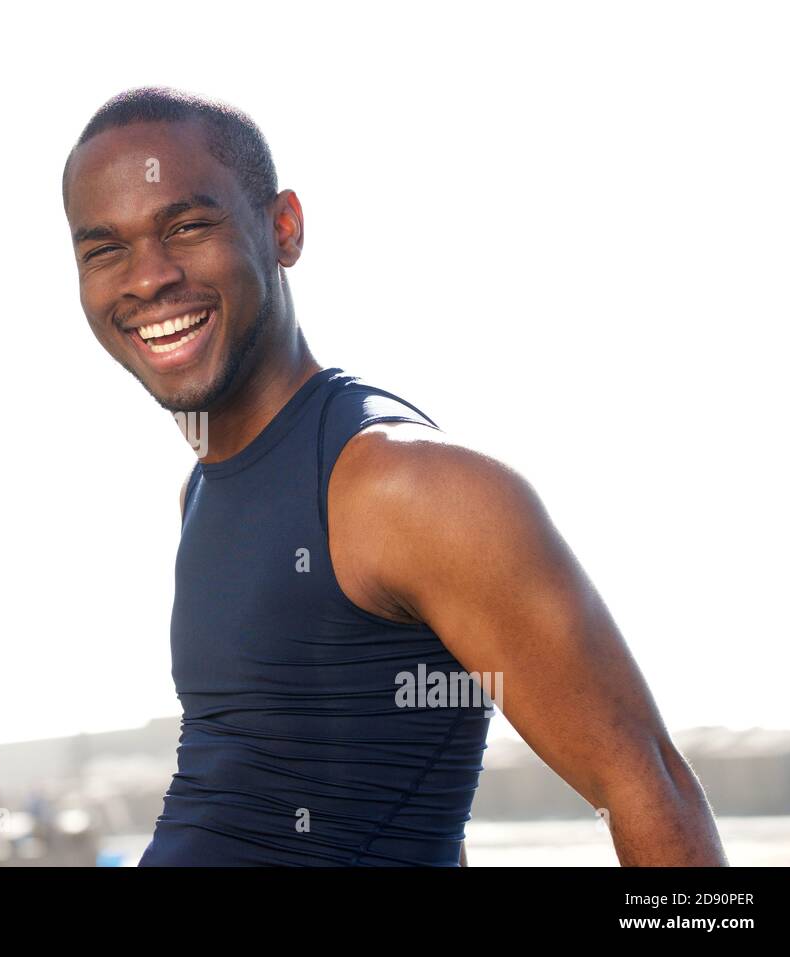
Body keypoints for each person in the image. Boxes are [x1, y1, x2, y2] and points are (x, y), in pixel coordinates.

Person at [60, 86, 727, 866]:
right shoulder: (202, 488)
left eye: (188, 226)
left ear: (284, 229)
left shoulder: (410, 486)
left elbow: (647, 787)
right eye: (105, 249)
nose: (148, 278)